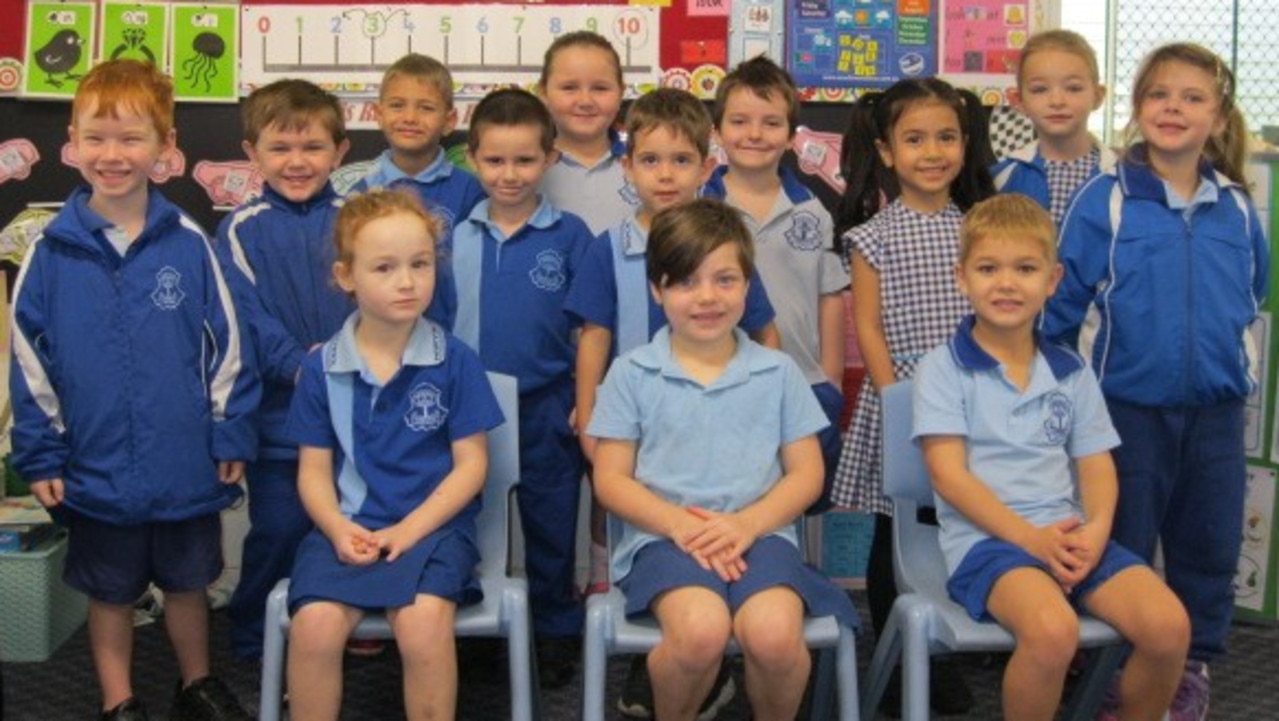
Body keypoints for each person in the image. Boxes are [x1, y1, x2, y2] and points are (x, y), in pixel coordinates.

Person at [9, 58, 258, 721]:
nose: (112, 154)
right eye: (97, 136)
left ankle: (196, 682)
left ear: (165, 146)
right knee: (110, 590)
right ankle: (118, 699)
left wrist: (228, 429)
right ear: (72, 140)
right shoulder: (50, 251)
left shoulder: (187, 242)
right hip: (96, 462)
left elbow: (227, 346)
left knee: (187, 582)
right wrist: (40, 453)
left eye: (131, 137)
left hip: (182, 459)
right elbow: (29, 362)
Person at [1042, 43, 1268, 721]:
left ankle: (1189, 669)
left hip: (1215, 415)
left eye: (1193, 97)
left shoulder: (1235, 207)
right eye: (1160, 95)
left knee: (1208, 545)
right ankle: (1113, 670)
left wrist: (1230, 372)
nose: (1174, 108)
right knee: (1121, 546)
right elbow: (1059, 310)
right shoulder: (1104, 201)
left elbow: (1249, 298)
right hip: (1122, 413)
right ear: (1137, 108)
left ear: (1218, 115)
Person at [914, 193, 1190, 721]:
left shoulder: (1070, 370)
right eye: (988, 268)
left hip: (1070, 538)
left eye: (1025, 268)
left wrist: (1096, 531)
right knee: (1051, 631)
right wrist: (1031, 540)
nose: (1007, 283)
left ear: (1053, 279)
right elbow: (949, 477)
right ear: (961, 277)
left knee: (1168, 627)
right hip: (988, 545)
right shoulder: (941, 369)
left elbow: (1096, 467)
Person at [587, 198, 857, 721]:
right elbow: (611, 480)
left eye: (725, 280)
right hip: (664, 539)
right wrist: (682, 527)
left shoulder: (778, 372)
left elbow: (806, 474)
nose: (707, 297)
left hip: (760, 535)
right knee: (699, 632)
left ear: (748, 285)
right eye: (686, 282)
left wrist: (745, 525)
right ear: (657, 289)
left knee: (776, 637)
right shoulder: (630, 373)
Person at [284, 189, 504, 721]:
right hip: (349, 529)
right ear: (346, 276)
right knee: (313, 627)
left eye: (420, 264)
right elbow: (313, 474)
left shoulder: (455, 360)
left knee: (423, 622)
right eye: (384, 267)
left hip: (433, 531)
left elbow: (472, 466)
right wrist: (337, 528)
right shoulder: (321, 368)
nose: (407, 281)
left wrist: (409, 531)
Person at [830, 76, 995, 713]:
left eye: (946, 137)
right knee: (892, 533)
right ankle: (900, 659)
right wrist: (898, 398)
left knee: (959, 525)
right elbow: (866, 325)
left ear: (965, 144)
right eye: (916, 139)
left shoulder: (979, 227)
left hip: (970, 401)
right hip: (898, 399)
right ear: (889, 151)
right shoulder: (874, 235)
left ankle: (948, 646)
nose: (933, 152)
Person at [449, 88, 594, 688]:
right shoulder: (453, 233)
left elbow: (590, 326)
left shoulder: (571, 234)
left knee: (552, 525)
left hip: (546, 404)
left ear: (550, 159)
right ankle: (475, 629)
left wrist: (585, 400)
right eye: (494, 161)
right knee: (469, 520)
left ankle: (556, 632)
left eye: (524, 160)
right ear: (473, 159)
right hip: (469, 409)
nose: (509, 175)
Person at [216, 78, 353, 661]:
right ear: (252, 154)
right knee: (278, 530)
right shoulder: (239, 229)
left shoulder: (357, 218)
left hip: (355, 417)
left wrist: (349, 362)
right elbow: (246, 320)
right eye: (280, 148)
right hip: (278, 424)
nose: (297, 162)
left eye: (313, 147)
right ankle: (253, 637)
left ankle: (341, 628)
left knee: (343, 530)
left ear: (339, 152)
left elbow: (376, 298)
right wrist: (304, 368)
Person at [702, 55, 847, 506]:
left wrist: (832, 381)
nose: (754, 134)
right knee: (730, 495)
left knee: (796, 497)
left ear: (790, 136)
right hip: (718, 380)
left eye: (770, 123)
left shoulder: (812, 211)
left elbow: (829, 300)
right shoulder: (699, 208)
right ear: (718, 132)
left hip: (801, 381)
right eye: (740, 121)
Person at [348, 53, 486, 329]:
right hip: (381, 335)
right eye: (397, 105)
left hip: (451, 335)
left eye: (425, 108)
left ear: (449, 121)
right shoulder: (361, 194)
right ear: (379, 114)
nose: (410, 118)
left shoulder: (470, 190)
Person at [990, 29, 1118, 225]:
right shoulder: (1001, 178)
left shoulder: (1122, 177)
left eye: (1073, 88)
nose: (1057, 101)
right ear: (1019, 100)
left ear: (1098, 96)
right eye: (1040, 89)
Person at [537, 30, 637, 235]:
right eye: (569, 87)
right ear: (543, 92)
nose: (585, 101)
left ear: (621, 92)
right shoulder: (526, 169)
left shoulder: (645, 165)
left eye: (600, 88)